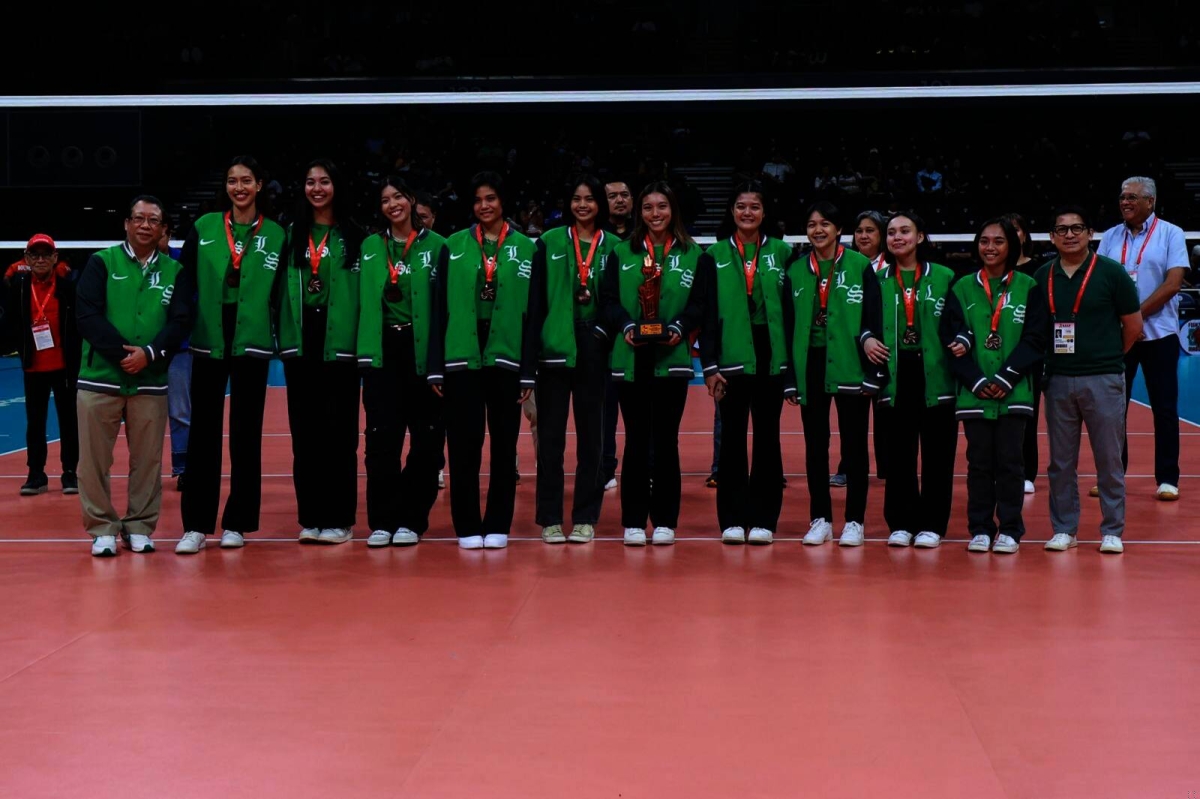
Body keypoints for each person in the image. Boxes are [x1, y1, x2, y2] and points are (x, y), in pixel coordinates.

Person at [175, 156, 286, 554]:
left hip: (251, 343)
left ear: (259, 186)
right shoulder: (204, 227)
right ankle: (195, 526)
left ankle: (237, 523)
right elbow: (183, 281)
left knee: (245, 435)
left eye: (246, 181)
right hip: (209, 340)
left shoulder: (276, 234)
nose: (239, 187)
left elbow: (282, 295)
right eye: (232, 181)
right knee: (203, 434)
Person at [76, 196, 192, 556]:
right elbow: (87, 314)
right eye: (138, 218)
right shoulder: (101, 262)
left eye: (153, 220)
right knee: (94, 460)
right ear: (126, 224)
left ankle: (139, 525)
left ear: (162, 230)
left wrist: (150, 355)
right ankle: (102, 528)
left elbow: (180, 320)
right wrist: (125, 355)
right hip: (100, 377)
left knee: (148, 459)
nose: (145, 225)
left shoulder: (176, 272)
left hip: (151, 379)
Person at [428, 171, 536, 550]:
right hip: (461, 359)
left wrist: (528, 371)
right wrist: (435, 365)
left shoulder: (526, 247)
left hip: (506, 359)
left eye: (491, 198)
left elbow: (533, 314)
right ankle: (467, 525)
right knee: (463, 445)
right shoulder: (453, 245)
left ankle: (498, 524)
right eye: (478, 200)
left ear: (503, 202)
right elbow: (438, 307)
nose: (484, 206)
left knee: (505, 446)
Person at [600, 180, 705, 546]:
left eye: (662, 206)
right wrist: (627, 325)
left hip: (672, 358)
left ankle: (664, 520)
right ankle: (632, 520)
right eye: (648, 207)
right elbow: (609, 300)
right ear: (638, 212)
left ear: (672, 209)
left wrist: (680, 326)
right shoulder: (622, 252)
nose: (655, 214)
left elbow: (699, 304)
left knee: (666, 441)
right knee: (636, 440)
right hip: (631, 356)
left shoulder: (693, 254)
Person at [1037, 206, 1142, 554]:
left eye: (1077, 228)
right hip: (1058, 380)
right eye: (1062, 229)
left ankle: (1112, 530)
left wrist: (1108, 358)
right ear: (1052, 237)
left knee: (1109, 458)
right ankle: (1064, 529)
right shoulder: (1041, 276)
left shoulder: (1112, 273)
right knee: (1060, 461)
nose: (1069, 235)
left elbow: (1134, 326)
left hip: (1103, 378)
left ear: (1090, 233)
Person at [941, 218, 1048, 554]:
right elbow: (950, 338)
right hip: (974, 392)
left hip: (1014, 391)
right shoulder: (961, 287)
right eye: (984, 241)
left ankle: (1011, 529)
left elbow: (1035, 338)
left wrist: (1005, 378)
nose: (990, 247)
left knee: (1011, 462)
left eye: (998, 241)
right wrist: (974, 379)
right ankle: (981, 528)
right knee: (979, 463)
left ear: (1011, 246)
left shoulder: (1029, 286)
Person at [786, 202, 885, 547]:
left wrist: (874, 372)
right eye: (812, 224)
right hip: (810, 364)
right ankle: (821, 519)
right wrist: (789, 376)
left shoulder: (859, 266)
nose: (817, 230)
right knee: (815, 445)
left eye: (825, 224)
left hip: (850, 362)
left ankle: (854, 520)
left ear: (838, 230)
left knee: (855, 445)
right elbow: (787, 326)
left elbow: (874, 317)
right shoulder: (797, 269)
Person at [524, 175, 616, 544]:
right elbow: (535, 304)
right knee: (550, 439)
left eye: (590, 199)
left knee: (592, 439)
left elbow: (617, 302)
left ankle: (585, 517)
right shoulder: (548, 242)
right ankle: (549, 517)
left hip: (596, 346)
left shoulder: (615, 246)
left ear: (600, 205)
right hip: (554, 349)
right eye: (576, 199)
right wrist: (530, 363)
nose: (583, 205)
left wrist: (602, 336)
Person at [700, 181, 792, 544]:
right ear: (732, 212)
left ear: (764, 212)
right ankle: (732, 520)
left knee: (769, 439)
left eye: (754, 206)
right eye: (741, 206)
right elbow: (708, 315)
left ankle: (765, 519)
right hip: (731, 357)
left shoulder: (785, 253)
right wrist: (709, 365)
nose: (748, 213)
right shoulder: (715, 255)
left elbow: (792, 311)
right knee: (733, 440)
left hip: (771, 358)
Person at [357, 176, 447, 548]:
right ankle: (382, 520)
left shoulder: (441, 247)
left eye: (398, 197)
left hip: (423, 351)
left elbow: (446, 307)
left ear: (411, 200)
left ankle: (412, 519)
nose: (392, 204)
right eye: (384, 199)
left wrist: (442, 362)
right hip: (382, 351)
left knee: (426, 443)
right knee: (381, 442)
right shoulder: (369, 246)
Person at [278, 159, 364, 545]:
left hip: (341, 346)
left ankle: (341, 519)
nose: (317, 188)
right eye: (310, 182)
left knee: (340, 435)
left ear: (336, 186)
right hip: (302, 344)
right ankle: (311, 516)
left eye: (324, 181)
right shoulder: (290, 235)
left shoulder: (356, 236)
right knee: (306, 435)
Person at [1096, 177, 1187, 502]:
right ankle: (1112, 474)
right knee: (1111, 408)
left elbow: (1173, 284)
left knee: (1164, 408)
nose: (1125, 202)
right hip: (1118, 336)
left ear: (1150, 201)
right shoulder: (1109, 236)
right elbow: (1099, 281)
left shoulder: (1171, 233)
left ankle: (1167, 479)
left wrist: (1133, 315)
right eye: (1122, 197)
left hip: (1159, 334)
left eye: (1132, 197)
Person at [877, 211, 958, 548]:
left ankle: (932, 524)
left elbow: (960, 321)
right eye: (892, 232)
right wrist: (868, 338)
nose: (898, 237)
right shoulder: (877, 280)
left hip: (936, 375)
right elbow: (863, 322)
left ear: (920, 237)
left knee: (938, 454)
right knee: (899, 452)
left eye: (905, 231)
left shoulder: (946, 276)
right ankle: (900, 522)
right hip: (895, 375)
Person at [6, 234, 79, 495]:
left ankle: (70, 472)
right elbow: (12, 321)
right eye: (34, 255)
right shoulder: (20, 286)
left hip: (64, 366)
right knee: (34, 422)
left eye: (45, 254)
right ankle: (36, 474)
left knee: (69, 420)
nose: (40, 259)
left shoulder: (68, 287)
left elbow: (78, 325)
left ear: (54, 258)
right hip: (34, 366)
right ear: (26, 258)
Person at [831, 209, 889, 487]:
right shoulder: (840, 266)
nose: (864, 236)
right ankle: (847, 466)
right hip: (853, 348)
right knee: (851, 417)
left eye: (871, 230)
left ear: (882, 235)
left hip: (887, 348)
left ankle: (888, 465)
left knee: (887, 412)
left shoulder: (893, 267)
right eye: (859, 231)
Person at [1002, 212, 1044, 495]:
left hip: (1029, 355)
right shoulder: (990, 270)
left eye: (1015, 230)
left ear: (1024, 236)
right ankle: (1001, 470)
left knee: (1027, 415)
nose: (1011, 235)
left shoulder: (1038, 271)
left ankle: (1027, 471)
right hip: (993, 354)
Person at [601, 178, 635, 491]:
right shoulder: (597, 240)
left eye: (625, 195)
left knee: (640, 414)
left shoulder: (644, 238)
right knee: (604, 413)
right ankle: (605, 469)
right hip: (603, 344)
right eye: (612, 196)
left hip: (638, 341)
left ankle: (645, 468)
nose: (619, 200)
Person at [415, 191, 448, 490]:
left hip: (436, 345)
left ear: (434, 219)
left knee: (434, 416)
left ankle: (436, 466)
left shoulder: (443, 249)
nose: (418, 221)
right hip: (405, 345)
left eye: (423, 216)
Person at [160, 222, 191, 491]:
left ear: (168, 233)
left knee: (180, 410)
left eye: (161, 231)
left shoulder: (182, 264)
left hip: (179, 349)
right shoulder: (135, 265)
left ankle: (183, 468)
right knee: (141, 414)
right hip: (143, 351)